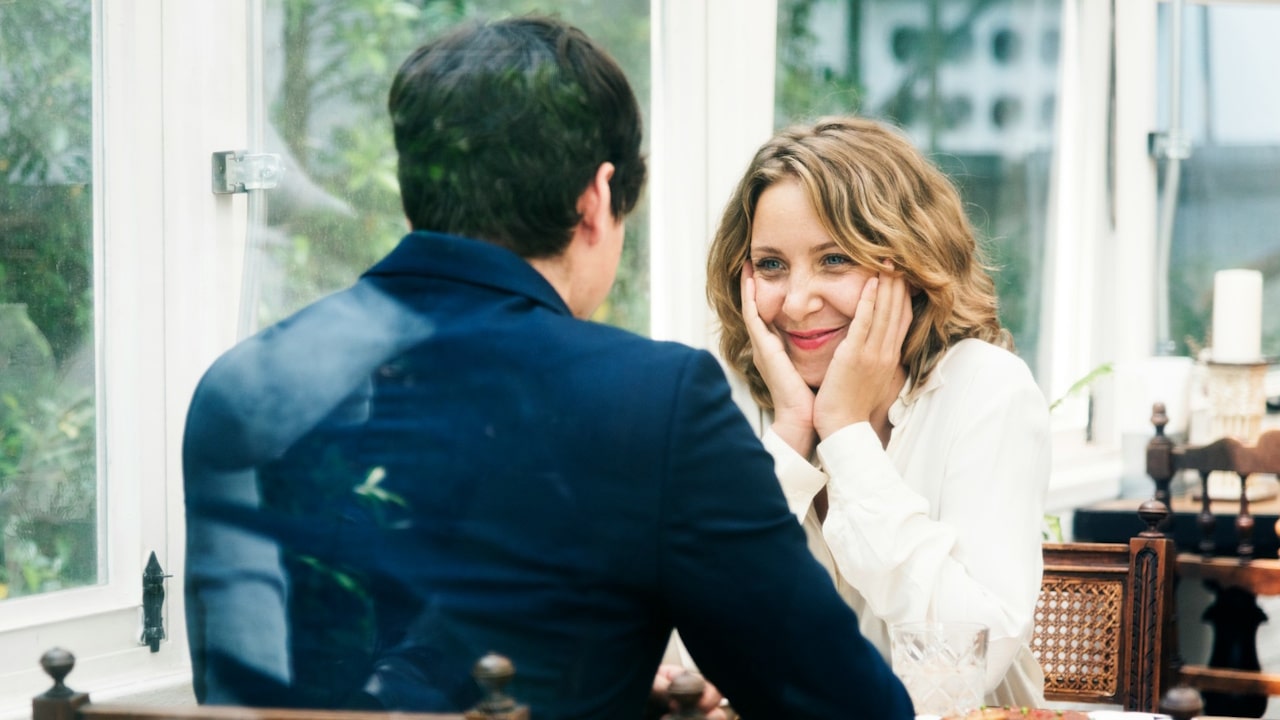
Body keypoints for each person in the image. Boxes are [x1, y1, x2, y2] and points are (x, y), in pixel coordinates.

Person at [182, 17, 915, 720]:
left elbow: (277, 688)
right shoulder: (653, 401)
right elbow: (848, 707)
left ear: (417, 192)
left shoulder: (243, 386)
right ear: (597, 199)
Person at [705, 116, 1052, 708]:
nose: (797, 301)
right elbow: (701, 653)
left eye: (835, 259)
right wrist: (790, 434)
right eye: (770, 265)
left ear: (909, 265)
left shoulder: (985, 390)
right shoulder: (736, 403)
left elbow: (965, 660)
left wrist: (844, 434)